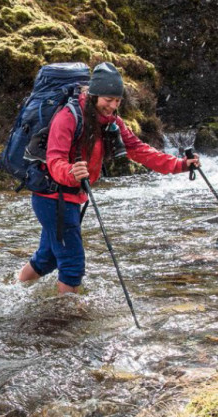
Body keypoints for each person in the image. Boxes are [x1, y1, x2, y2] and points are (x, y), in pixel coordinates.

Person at [18, 61, 199, 294]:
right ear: (94, 95)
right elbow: (55, 160)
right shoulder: (68, 117)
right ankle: (65, 319)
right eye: (108, 100)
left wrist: (180, 165)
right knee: (72, 265)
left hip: (70, 197)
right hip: (53, 197)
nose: (112, 106)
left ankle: (15, 289)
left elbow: (138, 149)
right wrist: (71, 173)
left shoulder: (111, 121)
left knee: (47, 259)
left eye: (117, 101)